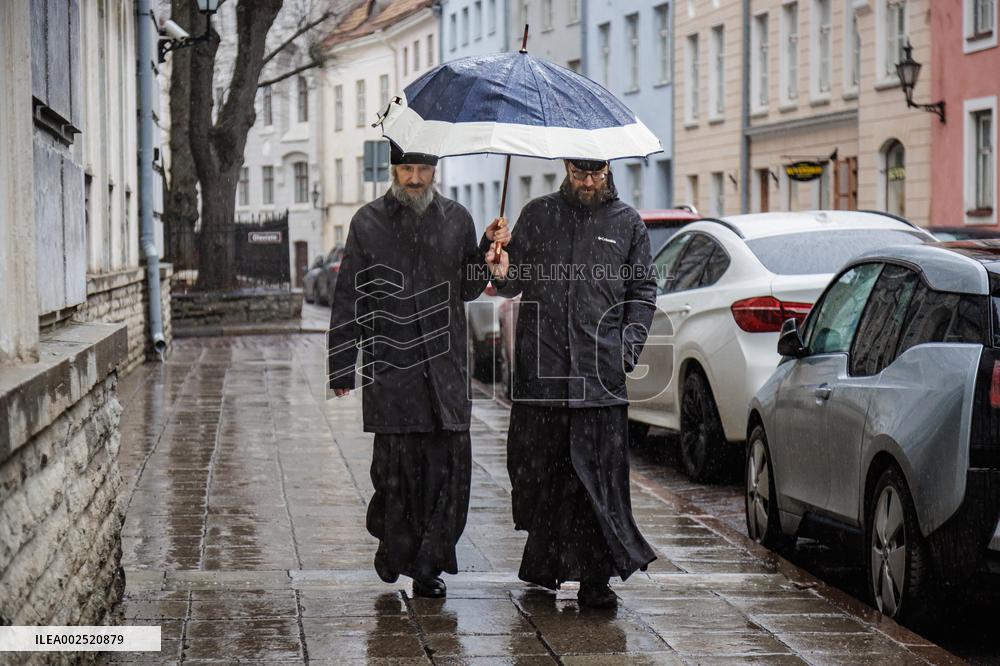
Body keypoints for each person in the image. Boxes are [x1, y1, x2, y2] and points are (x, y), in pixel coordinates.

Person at [327, 142, 509, 598]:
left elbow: (468, 288)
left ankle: (427, 566)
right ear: (394, 169)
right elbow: (350, 296)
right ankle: (395, 547)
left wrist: (488, 249)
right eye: (406, 169)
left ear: (434, 170)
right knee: (395, 477)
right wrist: (342, 368)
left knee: (447, 478)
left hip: (445, 372)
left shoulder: (457, 220)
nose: (414, 178)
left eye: (422, 169)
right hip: (393, 371)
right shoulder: (367, 223)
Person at [484, 158, 657, 608]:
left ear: (607, 170)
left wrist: (625, 351)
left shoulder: (627, 223)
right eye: (580, 174)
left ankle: (596, 579)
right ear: (566, 168)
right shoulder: (539, 214)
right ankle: (547, 565)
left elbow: (642, 293)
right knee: (544, 477)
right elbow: (510, 282)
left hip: (600, 380)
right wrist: (500, 269)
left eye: (596, 174)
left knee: (595, 483)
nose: (588, 182)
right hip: (544, 375)